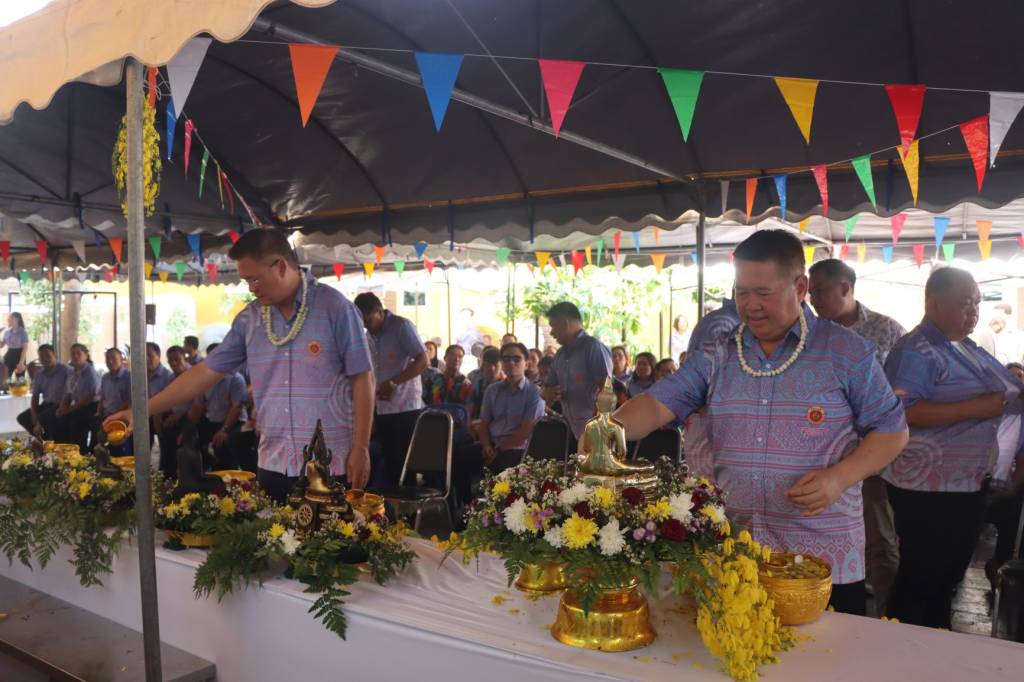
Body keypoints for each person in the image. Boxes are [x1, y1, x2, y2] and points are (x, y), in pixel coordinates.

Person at [614, 229, 908, 616]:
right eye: (741, 292)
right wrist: (608, 431)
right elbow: (656, 405)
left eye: (763, 293)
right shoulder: (718, 353)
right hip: (735, 554)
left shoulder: (846, 351)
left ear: (799, 287)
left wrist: (839, 478)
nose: (750, 305)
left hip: (821, 562)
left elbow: (892, 431)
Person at [107, 229, 375, 503]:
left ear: (281, 266)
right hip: (273, 462)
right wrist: (139, 411)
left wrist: (361, 447)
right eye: (247, 281)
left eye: (255, 279)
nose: (251, 288)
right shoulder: (250, 320)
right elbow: (204, 373)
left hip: (330, 464)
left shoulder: (335, 308)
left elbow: (363, 379)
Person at [883, 267, 1024, 628]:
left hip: (963, 483)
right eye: (964, 303)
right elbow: (900, 410)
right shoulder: (917, 350)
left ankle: (934, 640)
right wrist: (975, 407)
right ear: (933, 304)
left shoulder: (962, 346)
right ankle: (901, 643)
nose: (974, 311)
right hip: (927, 487)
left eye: (977, 302)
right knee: (921, 576)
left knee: (945, 577)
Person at [809, 258, 907, 616]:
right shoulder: (807, 334)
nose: (813, 299)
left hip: (870, 457)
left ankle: (885, 616)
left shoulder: (886, 330)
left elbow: (902, 395)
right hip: (821, 457)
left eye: (820, 291)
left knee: (880, 540)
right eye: (810, 292)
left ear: (846, 288)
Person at [453, 342, 545, 511]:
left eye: (516, 359)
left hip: (518, 449)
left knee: (504, 465)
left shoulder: (534, 392)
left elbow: (525, 432)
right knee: (458, 456)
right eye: (506, 359)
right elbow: (484, 424)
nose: (511, 363)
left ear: (526, 363)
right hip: (492, 444)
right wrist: (487, 445)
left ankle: (499, 514)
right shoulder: (492, 390)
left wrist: (498, 450)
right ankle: (467, 508)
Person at [354, 292, 428, 488]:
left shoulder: (401, 327)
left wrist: (394, 383)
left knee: (406, 464)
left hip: (406, 407)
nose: (367, 326)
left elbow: (423, 361)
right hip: (382, 407)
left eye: (368, 321)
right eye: (363, 323)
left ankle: (407, 505)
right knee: (389, 462)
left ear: (379, 312)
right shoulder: (368, 335)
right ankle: (391, 504)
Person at [541, 302, 612, 444]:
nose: (552, 333)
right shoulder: (559, 355)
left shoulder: (593, 348)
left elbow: (607, 392)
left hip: (593, 432)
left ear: (565, 324)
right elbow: (547, 389)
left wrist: (596, 428)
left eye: (553, 326)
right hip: (567, 430)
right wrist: (549, 393)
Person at [192, 344, 248, 469]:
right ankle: (210, 466)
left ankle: (228, 472)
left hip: (233, 423)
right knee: (190, 442)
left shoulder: (236, 379)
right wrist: (187, 429)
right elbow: (198, 405)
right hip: (212, 421)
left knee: (224, 443)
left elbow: (236, 408)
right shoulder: (204, 380)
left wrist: (224, 430)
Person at [17, 344, 69, 439]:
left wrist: (39, 420)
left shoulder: (66, 370)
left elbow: (70, 392)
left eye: (48, 356)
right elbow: (35, 396)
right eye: (42, 357)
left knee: (43, 418)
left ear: (54, 355)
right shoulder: (39, 375)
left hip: (62, 404)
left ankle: (48, 440)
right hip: (47, 405)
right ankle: (43, 440)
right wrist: (33, 414)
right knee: (23, 417)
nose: (45, 359)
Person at [156, 345, 194, 478]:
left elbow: (199, 404)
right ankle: (168, 475)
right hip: (175, 416)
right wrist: (170, 415)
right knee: (164, 432)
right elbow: (168, 400)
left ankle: (184, 475)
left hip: (193, 416)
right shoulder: (171, 378)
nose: (174, 364)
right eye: (170, 361)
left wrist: (179, 414)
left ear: (185, 359)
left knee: (177, 437)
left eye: (177, 360)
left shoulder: (194, 375)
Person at [57, 344, 100, 453]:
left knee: (75, 421)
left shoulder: (90, 372)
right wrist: (62, 407)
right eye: (73, 354)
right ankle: (64, 452)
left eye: (78, 353)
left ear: (86, 355)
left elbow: (88, 398)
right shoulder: (72, 372)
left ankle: (81, 454)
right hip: (78, 405)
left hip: (92, 406)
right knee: (59, 418)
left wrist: (68, 410)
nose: (75, 356)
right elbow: (68, 393)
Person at [95, 348, 131, 452]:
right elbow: (103, 397)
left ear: (121, 359)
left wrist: (116, 414)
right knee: (102, 443)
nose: (110, 361)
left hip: (122, 417)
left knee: (119, 447)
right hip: (106, 415)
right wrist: (98, 411)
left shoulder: (129, 376)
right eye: (108, 358)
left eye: (113, 358)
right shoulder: (105, 377)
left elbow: (130, 400)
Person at [0, 312, 29, 381]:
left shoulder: (23, 332)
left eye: (11, 318)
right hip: (9, 355)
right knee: (5, 379)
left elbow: (25, 348)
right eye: (8, 318)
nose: (8, 319)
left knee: (20, 380)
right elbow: (1, 345)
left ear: (17, 319)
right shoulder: (7, 332)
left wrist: (21, 362)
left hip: (19, 356)